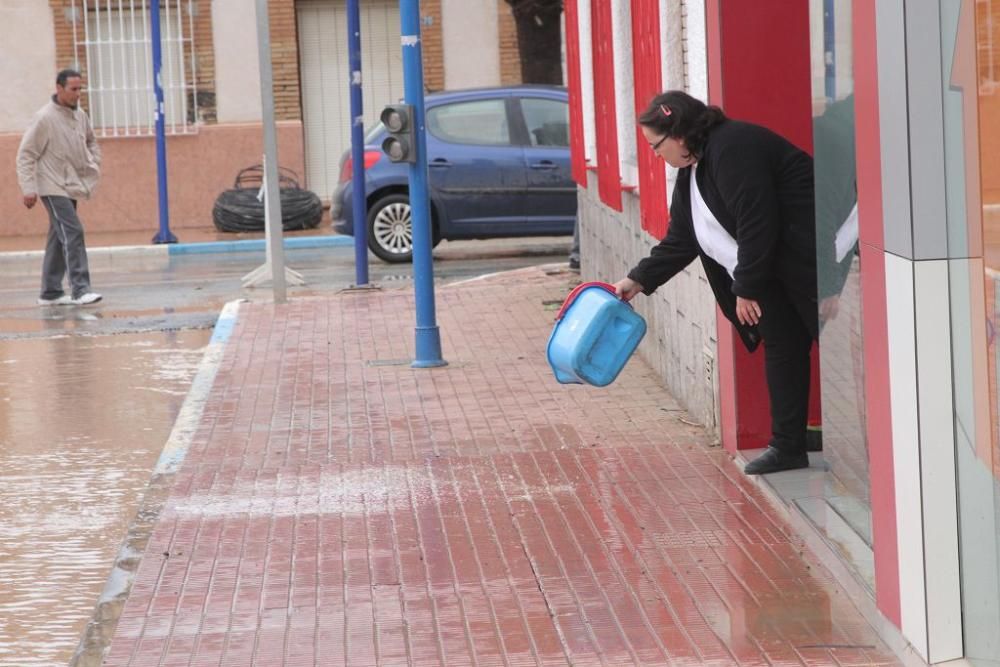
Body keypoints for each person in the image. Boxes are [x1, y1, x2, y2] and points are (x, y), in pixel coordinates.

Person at [612, 90, 818, 475]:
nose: (656, 155)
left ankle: (809, 440)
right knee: (783, 346)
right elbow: (682, 239)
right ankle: (790, 442)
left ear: (678, 134)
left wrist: (747, 287)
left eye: (656, 145)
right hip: (772, 268)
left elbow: (758, 220)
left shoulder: (732, 148)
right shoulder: (693, 169)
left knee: (808, 343)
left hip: (808, 260)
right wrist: (637, 280)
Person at [16, 68, 103, 306]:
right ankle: (81, 289)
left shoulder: (80, 115)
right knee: (73, 231)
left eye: (80, 89)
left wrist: (94, 161)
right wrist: (28, 187)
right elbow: (26, 154)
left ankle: (50, 292)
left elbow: (91, 140)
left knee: (59, 235)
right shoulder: (44, 118)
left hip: (71, 184)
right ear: (59, 88)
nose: (78, 94)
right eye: (73, 89)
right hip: (51, 185)